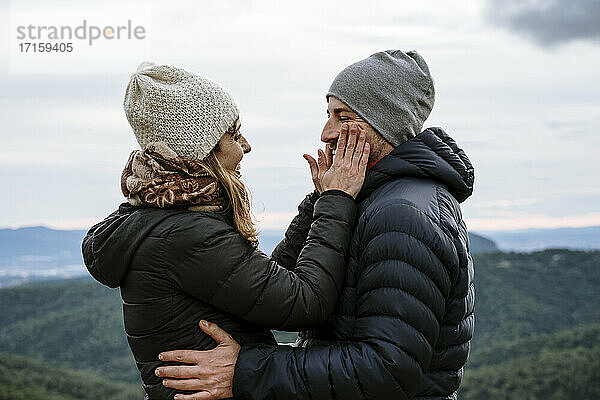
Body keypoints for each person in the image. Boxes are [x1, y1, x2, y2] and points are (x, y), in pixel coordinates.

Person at [155, 50, 475, 400]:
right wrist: (325, 200)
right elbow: (280, 288)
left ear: (386, 123)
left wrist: (245, 370)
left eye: (344, 117)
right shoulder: (364, 197)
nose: (326, 133)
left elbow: (388, 369)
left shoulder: (402, 214)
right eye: (328, 115)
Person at [81, 61, 370, 400]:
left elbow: (265, 283)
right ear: (202, 151)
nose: (245, 145)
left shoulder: (168, 220)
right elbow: (305, 302)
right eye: (233, 135)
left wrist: (317, 203)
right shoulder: (184, 234)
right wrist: (337, 200)